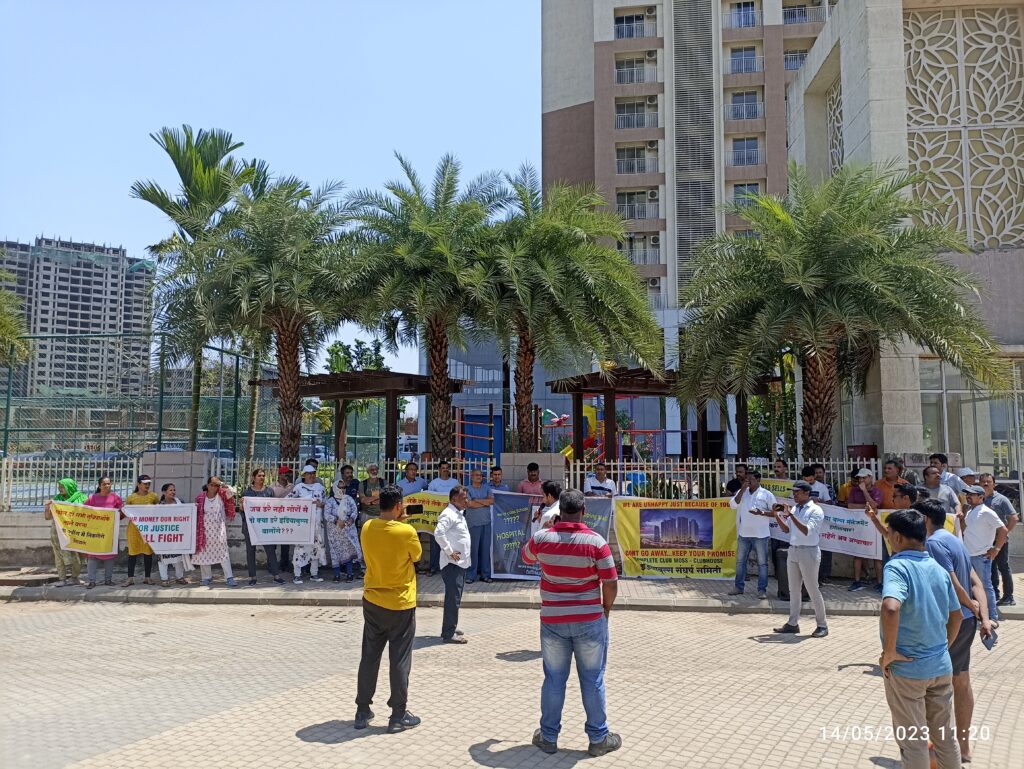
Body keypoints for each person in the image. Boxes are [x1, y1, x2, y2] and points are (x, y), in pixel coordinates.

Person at [521, 489, 621, 757]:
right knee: (593, 679)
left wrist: (546, 527)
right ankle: (598, 738)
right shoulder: (596, 542)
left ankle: (548, 736)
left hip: (553, 620)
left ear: (559, 510)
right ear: (583, 511)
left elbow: (526, 556)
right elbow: (611, 582)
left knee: (554, 679)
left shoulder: (542, 538)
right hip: (589, 620)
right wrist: (605, 609)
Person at [878, 508, 963, 769]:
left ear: (898, 537)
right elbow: (957, 616)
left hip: (908, 669)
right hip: (940, 666)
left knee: (913, 741)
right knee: (945, 737)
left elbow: (891, 607)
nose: (889, 538)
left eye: (889, 533)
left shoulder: (897, 566)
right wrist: (942, 649)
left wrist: (889, 653)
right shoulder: (938, 569)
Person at [918, 499, 995, 763]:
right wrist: (983, 616)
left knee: (934, 686)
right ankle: (963, 747)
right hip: (966, 621)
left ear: (925, 519)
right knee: (961, 681)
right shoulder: (955, 541)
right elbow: (976, 582)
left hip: (948, 622)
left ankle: (939, 750)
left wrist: (971, 608)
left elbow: (952, 582)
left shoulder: (933, 544)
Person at [354, 484, 422, 733]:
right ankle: (397, 715)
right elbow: (416, 556)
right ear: (399, 506)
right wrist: (402, 523)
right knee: (399, 659)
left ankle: (362, 710)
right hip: (400, 603)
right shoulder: (407, 531)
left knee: (369, 656)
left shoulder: (367, 527)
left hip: (373, 600)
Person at [772, 480, 828, 638]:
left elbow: (806, 530)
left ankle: (822, 625)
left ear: (806, 493)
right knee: (793, 589)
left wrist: (791, 515)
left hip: (809, 551)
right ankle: (792, 623)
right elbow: (786, 529)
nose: (794, 494)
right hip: (794, 550)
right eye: (794, 492)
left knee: (812, 589)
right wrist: (777, 516)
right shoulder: (795, 508)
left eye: (797, 492)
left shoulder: (816, 510)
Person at [960, 484, 1008, 622]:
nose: (968, 496)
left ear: (981, 497)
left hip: (981, 556)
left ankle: (992, 617)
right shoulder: (970, 511)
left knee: (985, 587)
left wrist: (996, 549)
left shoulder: (987, 512)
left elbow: (1003, 530)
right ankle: (980, 615)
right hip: (968, 555)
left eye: (971, 494)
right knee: (972, 587)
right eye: (967, 494)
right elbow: (964, 530)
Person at [728, 470, 775, 599]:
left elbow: (775, 512)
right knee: (740, 562)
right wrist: (742, 489)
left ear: (758, 480)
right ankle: (738, 587)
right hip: (744, 534)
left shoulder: (767, 494)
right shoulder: (742, 492)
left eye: (751, 480)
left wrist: (761, 513)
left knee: (762, 564)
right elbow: (732, 505)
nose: (748, 482)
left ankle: (762, 590)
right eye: (746, 480)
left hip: (761, 535)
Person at [434, 485, 471, 643]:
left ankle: (451, 626)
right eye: (464, 498)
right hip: (452, 564)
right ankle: (448, 634)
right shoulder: (448, 514)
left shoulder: (458, 513)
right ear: (454, 499)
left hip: (460, 563)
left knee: (455, 598)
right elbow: (438, 533)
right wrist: (449, 552)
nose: (467, 501)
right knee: (452, 599)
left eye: (467, 498)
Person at [240, 469, 285, 586]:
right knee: (250, 552)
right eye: (259, 476)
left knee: (270, 551)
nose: (262, 478)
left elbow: (274, 507)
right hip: (250, 527)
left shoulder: (269, 491)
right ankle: (252, 577)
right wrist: (241, 505)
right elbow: (243, 511)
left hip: (266, 527)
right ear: (253, 477)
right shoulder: (247, 493)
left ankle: (276, 576)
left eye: (263, 476)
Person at [979, 472, 1018, 607]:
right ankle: (995, 594)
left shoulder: (1001, 499)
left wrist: (1004, 533)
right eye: (983, 481)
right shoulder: (979, 499)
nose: (985, 484)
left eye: (988, 481)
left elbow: (1014, 518)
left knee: (1003, 567)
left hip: (999, 540)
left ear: (994, 484)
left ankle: (1009, 597)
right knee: (990, 567)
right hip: (985, 541)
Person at [193, 476, 237, 587]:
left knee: (223, 553)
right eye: (212, 485)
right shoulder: (200, 497)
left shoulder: (222, 495)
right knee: (203, 553)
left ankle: (229, 577)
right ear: (207, 485)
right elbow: (195, 512)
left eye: (216, 485)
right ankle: (206, 577)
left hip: (219, 530)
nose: (214, 487)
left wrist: (222, 484)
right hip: (203, 530)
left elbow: (232, 492)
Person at [288, 465, 327, 584]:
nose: (311, 475)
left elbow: (326, 502)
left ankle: (314, 573)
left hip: (317, 524)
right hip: (303, 524)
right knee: (300, 548)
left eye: (313, 473)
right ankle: (297, 574)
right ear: (304, 475)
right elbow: (288, 500)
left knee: (316, 548)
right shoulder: (299, 487)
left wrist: (321, 504)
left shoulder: (320, 488)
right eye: (309, 473)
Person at [44, 478, 85, 587]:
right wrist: (47, 508)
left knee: (78, 556)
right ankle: (62, 579)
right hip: (58, 532)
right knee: (59, 556)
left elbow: (88, 514)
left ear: (69, 487)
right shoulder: (57, 500)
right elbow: (47, 517)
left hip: (75, 532)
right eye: (59, 486)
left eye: (62, 487)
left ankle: (75, 578)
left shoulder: (82, 498)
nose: (60, 489)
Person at [848, 469, 884, 592]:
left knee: (877, 555)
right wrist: (865, 506)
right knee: (858, 554)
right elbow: (850, 506)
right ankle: (857, 581)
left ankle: (879, 583)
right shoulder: (854, 490)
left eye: (864, 478)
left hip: (874, 526)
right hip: (859, 526)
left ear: (870, 477)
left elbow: (874, 505)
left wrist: (864, 491)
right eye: (860, 478)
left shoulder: (877, 491)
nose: (861, 480)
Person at [84, 477, 122, 588]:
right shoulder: (92, 498)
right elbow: (83, 512)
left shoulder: (116, 498)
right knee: (92, 557)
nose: (107, 486)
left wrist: (119, 513)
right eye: (104, 484)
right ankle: (92, 581)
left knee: (110, 556)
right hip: (95, 533)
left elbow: (121, 514)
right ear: (99, 486)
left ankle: (108, 580)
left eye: (109, 484)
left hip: (110, 533)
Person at [122, 474, 158, 586]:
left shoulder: (153, 496)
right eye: (145, 483)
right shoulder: (131, 498)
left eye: (148, 484)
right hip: (134, 529)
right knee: (132, 554)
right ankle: (130, 578)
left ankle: (147, 577)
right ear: (138, 484)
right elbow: (126, 512)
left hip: (148, 529)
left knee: (148, 553)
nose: (147, 485)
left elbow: (159, 510)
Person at [325, 477, 363, 582]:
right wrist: (336, 520)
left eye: (344, 488)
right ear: (335, 488)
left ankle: (349, 574)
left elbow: (354, 511)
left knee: (349, 551)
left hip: (348, 529)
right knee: (335, 552)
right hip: (335, 531)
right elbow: (326, 515)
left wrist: (351, 519)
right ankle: (336, 575)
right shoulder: (330, 501)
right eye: (340, 488)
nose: (342, 490)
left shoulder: (349, 499)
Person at [426, 461, 459, 575]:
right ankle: (433, 567)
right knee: (435, 543)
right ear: (439, 470)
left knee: (452, 542)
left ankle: (452, 567)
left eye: (447, 468)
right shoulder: (434, 483)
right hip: (437, 518)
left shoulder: (455, 482)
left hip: (452, 518)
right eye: (443, 468)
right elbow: (429, 499)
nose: (445, 470)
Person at [802, 465, 833, 585]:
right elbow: (792, 500)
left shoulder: (822, 487)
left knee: (823, 550)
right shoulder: (798, 486)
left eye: (811, 479)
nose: (809, 481)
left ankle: (823, 576)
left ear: (814, 476)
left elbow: (829, 502)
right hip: (804, 522)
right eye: (806, 479)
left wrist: (820, 501)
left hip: (820, 523)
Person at [156, 483, 192, 586]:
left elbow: (187, 514)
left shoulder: (180, 503)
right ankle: (164, 579)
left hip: (177, 535)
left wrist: (193, 508)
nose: (173, 492)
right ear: (164, 492)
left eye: (174, 490)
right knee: (163, 558)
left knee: (179, 558)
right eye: (170, 490)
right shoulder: (159, 506)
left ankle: (179, 577)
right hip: (164, 536)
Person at [464, 468, 494, 584]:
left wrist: (477, 500)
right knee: (473, 550)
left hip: (486, 523)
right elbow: (470, 504)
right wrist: (484, 502)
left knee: (485, 550)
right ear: (471, 477)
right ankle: (471, 575)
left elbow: (491, 501)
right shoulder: (467, 489)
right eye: (476, 475)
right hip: (473, 524)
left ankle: (485, 575)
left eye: (480, 475)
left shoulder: (487, 488)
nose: (479, 477)